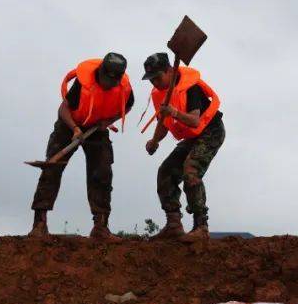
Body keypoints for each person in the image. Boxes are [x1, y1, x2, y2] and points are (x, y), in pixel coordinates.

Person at [28, 53, 134, 241]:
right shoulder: (83, 83)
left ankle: (101, 227)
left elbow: (128, 106)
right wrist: (75, 129)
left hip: (96, 128)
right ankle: (39, 224)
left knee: (102, 171)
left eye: (112, 82)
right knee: (53, 168)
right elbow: (63, 109)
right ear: (100, 72)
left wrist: (108, 121)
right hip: (69, 124)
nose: (108, 84)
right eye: (105, 79)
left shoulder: (125, 89)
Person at [142, 52, 224, 242]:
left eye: (157, 77)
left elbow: (194, 121)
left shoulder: (190, 88)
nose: (154, 83)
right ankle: (173, 225)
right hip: (192, 137)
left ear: (169, 71)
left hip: (211, 131)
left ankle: (201, 226)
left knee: (191, 169)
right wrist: (154, 141)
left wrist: (174, 112)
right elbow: (163, 122)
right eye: (150, 79)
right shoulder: (160, 94)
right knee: (166, 172)